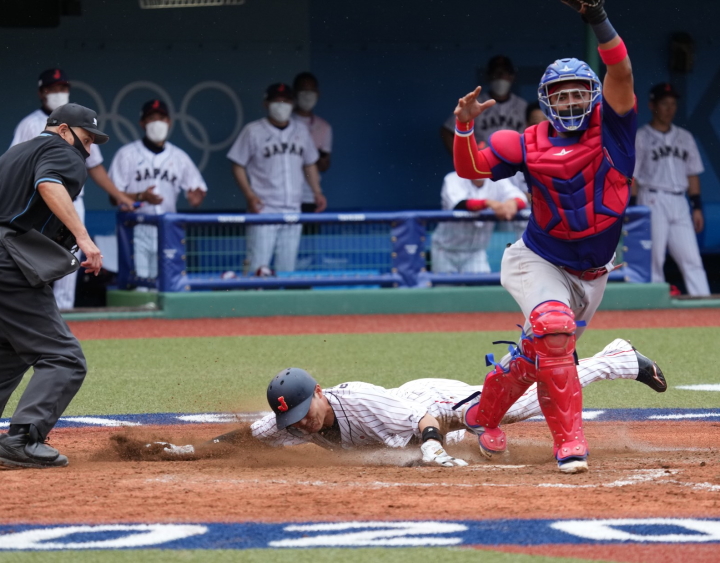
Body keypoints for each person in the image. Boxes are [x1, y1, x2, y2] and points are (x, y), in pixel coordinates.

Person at [453, 0, 637, 473]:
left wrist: (596, 16)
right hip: (537, 260)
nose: (572, 102)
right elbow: (470, 168)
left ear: (594, 97)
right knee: (555, 332)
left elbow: (620, 69)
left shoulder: (614, 128)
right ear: (546, 100)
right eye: (561, 95)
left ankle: (482, 416)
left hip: (592, 274)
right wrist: (464, 126)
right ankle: (569, 444)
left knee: (538, 356)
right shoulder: (526, 141)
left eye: (579, 93)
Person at [152, 339, 665, 466]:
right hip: (415, 418)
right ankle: (477, 439)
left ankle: (617, 358)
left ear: (320, 393)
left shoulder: (361, 402)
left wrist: (437, 448)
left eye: (303, 411)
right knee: (490, 433)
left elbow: (425, 419)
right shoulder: (291, 422)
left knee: (520, 408)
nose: (300, 424)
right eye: (291, 417)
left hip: (430, 403)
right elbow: (247, 437)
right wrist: (188, 450)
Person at [0, 103, 106, 469]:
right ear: (62, 129)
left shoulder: (15, 152)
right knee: (64, 358)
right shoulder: (62, 150)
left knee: (9, 353)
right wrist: (84, 236)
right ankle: (22, 441)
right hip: (10, 263)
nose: (88, 149)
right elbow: (49, 183)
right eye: (86, 138)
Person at [10, 68, 134, 310]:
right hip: (36, 202)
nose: (59, 92)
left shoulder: (81, 126)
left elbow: (95, 165)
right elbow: (21, 164)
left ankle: (63, 312)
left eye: (63, 87)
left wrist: (119, 196)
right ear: (41, 92)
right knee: (31, 259)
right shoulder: (29, 124)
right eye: (53, 88)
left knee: (68, 263)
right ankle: (36, 315)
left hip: (72, 200)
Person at [227, 83, 326, 275]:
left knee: (287, 269)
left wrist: (316, 191)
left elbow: (309, 163)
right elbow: (238, 164)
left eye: (286, 101)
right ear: (266, 103)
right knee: (258, 266)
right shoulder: (253, 130)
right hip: (264, 208)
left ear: (292, 103)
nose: (281, 105)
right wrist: (249, 195)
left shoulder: (301, 131)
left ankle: (282, 305)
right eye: (276, 100)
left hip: (293, 208)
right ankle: (254, 302)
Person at [108, 99, 207, 282]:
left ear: (169, 122)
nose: (157, 122)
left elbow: (196, 194)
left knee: (167, 285)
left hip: (169, 229)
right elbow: (113, 198)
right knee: (141, 287)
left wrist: (195, 199)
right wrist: (141, 196)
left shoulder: (179, 157)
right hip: (136, 228)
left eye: (161, 117)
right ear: (142, 123)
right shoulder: (126, 154)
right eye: (152, 118)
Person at [632, 83, 710, 296]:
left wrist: (697, 207)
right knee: (654, 258)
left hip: (679, 201)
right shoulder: (641, 136)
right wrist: (632, 210)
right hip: (652, 199)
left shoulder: (685, 137)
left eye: (673, 104)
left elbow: (692, 174)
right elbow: (633, 177)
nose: (669, 109)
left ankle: (703, 306)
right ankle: (655, 308)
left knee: (691, 258)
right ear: (652, 105)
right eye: (664, 104)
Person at [430, 172, 528, 273]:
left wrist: (512, 203)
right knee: (445, 287)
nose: (478, 169)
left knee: (481, 286)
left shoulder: (497, 180)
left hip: (475, 252)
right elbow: (458, 204)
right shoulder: (453, 179)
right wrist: (488, 203)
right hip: (446, 250)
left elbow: (521, 198)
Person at [440, 55, 527, 155]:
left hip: (514, 161)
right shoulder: (475, 103)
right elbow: (447, 131)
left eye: (504, 73)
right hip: (483, 161)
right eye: (496, 73)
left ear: (512, 76)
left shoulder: (522, 106)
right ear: (488, 76)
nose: (500, 76)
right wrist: (462, 158)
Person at [292, 72, 333, 214]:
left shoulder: (324, 127)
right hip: (282, 197)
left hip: (309, 196)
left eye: (311, 91)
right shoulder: (285, 124)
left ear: (318, 93)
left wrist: (314, 156)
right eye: (303, 90)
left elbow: (321, 164)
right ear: (295, 93)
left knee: (309, 236)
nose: (307, 95)